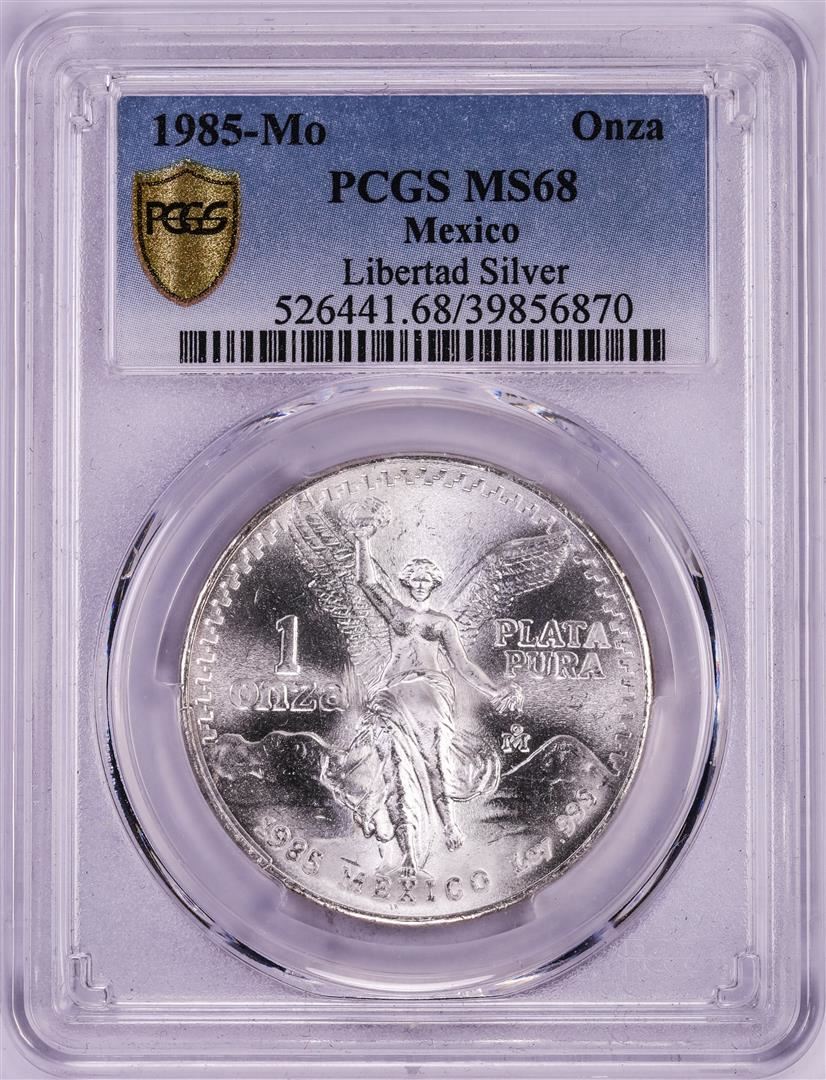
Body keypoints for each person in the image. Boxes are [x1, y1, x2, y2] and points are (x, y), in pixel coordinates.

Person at [320, 529, 520, 871]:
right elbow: (367, 582)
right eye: (416, 578)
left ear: (434, 583)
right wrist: (363, 540)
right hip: (394, 692)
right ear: (408, 581)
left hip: (430, 691)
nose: (421, 583)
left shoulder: (442, 623)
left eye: (427, 579)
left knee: (435, 760)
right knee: (392, 765)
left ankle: (450, 825)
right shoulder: (396, 612)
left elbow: (463, 665)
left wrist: (494, 690)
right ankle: (404, 844)